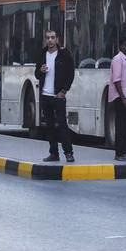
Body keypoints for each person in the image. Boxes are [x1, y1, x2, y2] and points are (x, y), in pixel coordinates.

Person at [35, 29, 76, 162]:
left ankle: (68, 153)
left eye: (53, 37)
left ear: (57, 39)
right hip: (45, 95)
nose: (50, 40)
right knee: (49, 126)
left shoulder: (64, 54)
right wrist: (40, 70)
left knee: (62, 125)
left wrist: (64, 91)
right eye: (48, 38)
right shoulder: (42, 53)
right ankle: (54, 153)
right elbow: (36, 74)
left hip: (58, 96)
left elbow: (71, 74)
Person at [108, 37, 126, 161]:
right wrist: (123, 98)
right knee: (121, 125)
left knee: (125, 126)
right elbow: (117, 80)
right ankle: (120, 153)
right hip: (120, 98)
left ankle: (125, 152)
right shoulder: (118, 59)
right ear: (119, 46)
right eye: (125, 45)